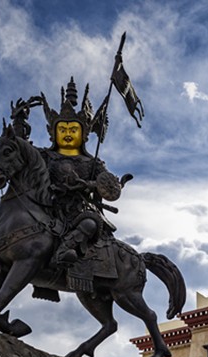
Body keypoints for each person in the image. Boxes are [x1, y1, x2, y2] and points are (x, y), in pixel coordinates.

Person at [38, 78, 123, 266]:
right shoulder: (45, 156)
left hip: (79, 210)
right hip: (49, 206)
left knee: (89, 224)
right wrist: (19, 124)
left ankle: (63, 252)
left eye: (73, 130)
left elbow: (109, 186)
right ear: (53, 132)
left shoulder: (92, 163)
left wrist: (89, 184)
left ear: (83, 134)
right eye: (63, 130)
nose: (68, 134)